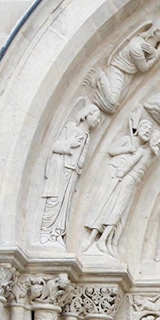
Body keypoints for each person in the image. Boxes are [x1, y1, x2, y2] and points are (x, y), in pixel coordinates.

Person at [81, 119, 160, 253]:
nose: (147, 131)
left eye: (150, 130)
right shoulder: (128, 141)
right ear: (137, 129)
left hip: (127, 179)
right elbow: (112, 151)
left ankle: (108, 241)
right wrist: (128, 151)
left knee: (117, 211)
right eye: (145, 127)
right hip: (114, 174)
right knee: (106, 205)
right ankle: (94, 237)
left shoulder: (145, 151)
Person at [39, 102, 101, 246]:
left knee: (65, 205)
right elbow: (55, 146)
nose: (98, 121)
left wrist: (79, 164)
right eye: (96, 117)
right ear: (87, 114)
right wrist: (70, 144)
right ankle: (45, 231)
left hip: (73, 172)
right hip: (61, 168)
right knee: (55, 199)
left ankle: (57, 232)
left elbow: (83, 154)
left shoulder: (87, 136)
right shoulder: (70, 128)